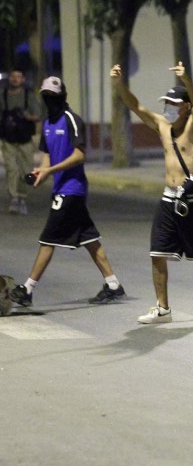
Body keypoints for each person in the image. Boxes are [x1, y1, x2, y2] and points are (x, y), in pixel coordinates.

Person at [111, 63, 193, 324]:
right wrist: (119, 84)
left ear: (186, 107)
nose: (168, 107)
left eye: (173, 103)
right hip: (168, 199)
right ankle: (163, 309)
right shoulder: (162, 125)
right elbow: (135, 106)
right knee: (157, 253)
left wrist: (187, 81)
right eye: (166, 103)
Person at [7, 76, 126, 309]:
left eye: (53, 96)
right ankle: (113, 284)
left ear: (62, 96)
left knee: (48, 238)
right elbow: (48, 155)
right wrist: (42, 174)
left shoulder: (72, 119)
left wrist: (50, 170)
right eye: (46, 96)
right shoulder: (47, 124)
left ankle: (27, 289)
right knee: (89, 238)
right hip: (60, 188)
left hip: (72, 189)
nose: (49, 100)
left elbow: (80, 155)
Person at [1, 69, 40, 215]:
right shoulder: (3, 95)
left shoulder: (28, 96)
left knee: (26, 170)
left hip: (24, 138)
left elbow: (37, 115)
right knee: (11, 169)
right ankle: (14, 198)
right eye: (13, 76)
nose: (15, 79)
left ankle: (22, 198)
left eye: (18, 76)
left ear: (23, 79)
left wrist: (27, 116)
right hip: (8, 138)